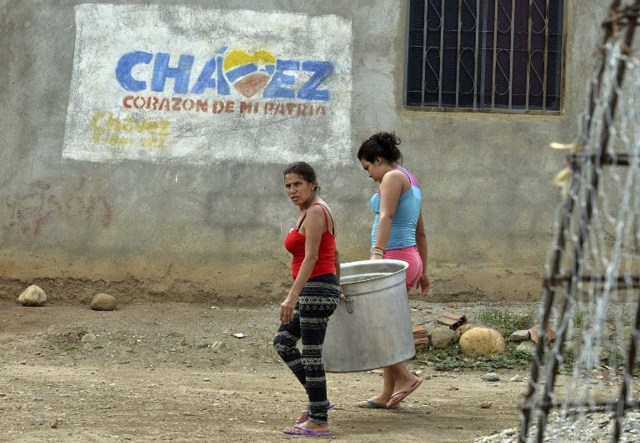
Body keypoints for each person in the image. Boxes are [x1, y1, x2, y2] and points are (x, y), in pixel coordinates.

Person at [356, 131, 431, 409]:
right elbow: (421, 232)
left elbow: (386, 216)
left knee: (376, 326)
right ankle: (388, 393)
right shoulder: (410, 179)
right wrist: (423, 269)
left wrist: (377, 253)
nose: (369, 175)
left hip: (392, 257)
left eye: (368, 167)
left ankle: (405, 377)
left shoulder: (391, 178)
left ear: (378, 159)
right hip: (408, 258)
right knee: (386, 323)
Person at [273, 161, 341, 437]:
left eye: (298, 184)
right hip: (318, 289)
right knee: (283, 342)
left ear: (312, 183)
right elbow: (335, 253)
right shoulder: (309, 212)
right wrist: (340, 284)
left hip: (315, 289)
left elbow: (313, 257)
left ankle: (319, 419)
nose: (292, 190)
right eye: (288, 185)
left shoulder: (315, 212)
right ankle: (318, 402)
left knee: (311, 355)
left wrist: (291, 297)